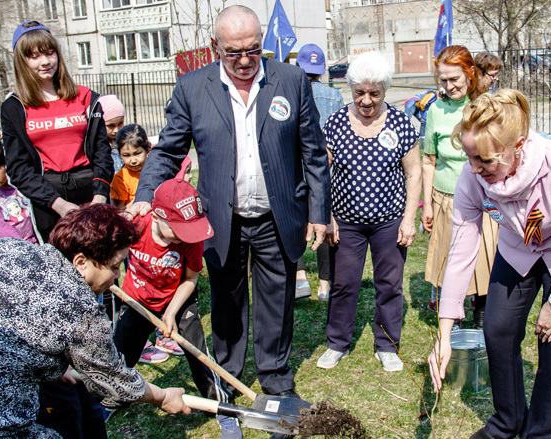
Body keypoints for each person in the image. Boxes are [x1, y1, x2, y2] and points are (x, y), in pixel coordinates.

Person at [124, 6, 331, 438]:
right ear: (215, 46)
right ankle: (226, 383)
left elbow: (312, 152)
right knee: (227, 302)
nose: (243, 59)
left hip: (278, 213)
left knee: (278, 298)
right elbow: (167, 151)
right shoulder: (193, 87)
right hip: (220, 218)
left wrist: (318, 213)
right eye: (233, 51)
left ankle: (275, 378)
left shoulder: (289, 81)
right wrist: (145, 196)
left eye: (253, 49)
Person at [428, 89, 551, 439]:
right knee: (497, 330)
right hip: (519, 248)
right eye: (470, 158)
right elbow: (462, 250)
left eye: (486, 161)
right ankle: (508, 422)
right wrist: (444, 334)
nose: (476, 169)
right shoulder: (472, 177)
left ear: (518, 146)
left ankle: (543, 432)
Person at [0, 203, 189, 438]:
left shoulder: (12, 248)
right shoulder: (80, 309)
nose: (117, 276)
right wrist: (161, 396)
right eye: (114, 267)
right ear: (81, 262)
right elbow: (115, 383)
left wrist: (49, 365)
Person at [317, 51, 422, 372]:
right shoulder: (335, 123)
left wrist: (408, 219)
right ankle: (337, 342)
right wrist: (329, 217)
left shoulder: (401, 123)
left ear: (385, 91)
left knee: (389, 285)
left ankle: (387, 345)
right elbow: (323, 173)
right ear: (350, 89)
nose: (366, 100)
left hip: (388, 221)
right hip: (345, 222)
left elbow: (414, 172)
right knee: (343, 284)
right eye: (359, 92)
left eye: (374, 93)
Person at [113, 179, 228, 402]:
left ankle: (219, 403)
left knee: (198, 352)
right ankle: (114, 395)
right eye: (178, 230)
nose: (184, 236)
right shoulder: (137, 225)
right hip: (137, 299)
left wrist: (171, 312)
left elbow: (191, 278)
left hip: (177, 297)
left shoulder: (190, 239)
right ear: (156, 216)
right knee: (121, 352)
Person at [1, 21, 113, 242]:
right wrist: (59, 205)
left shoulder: (87, 99)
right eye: (33, 56)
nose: (45, 62)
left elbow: (102, 152)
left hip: (92, 193)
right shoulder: (14, 107)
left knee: (100, 268)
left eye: (49, 53)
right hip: (49, 201)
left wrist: (99, 196)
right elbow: (18, 168)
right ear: (21, 61)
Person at [422, 45, 498, 330]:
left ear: (469, 74)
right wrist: (427, 203)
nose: (448, 85)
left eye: (454, 79)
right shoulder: (435, 110)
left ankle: (481, 322)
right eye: (443, 79)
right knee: (448, 262)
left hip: (484, 200)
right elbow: (429, 160)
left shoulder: (486, 107)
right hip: (445, 199)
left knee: (484, 263)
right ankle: (450, 324)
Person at [294, 42, 345, 302]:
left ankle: (300, 279)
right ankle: (325, 285)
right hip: (327, 166)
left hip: (298, 164)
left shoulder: (291, 89)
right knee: (324, 219)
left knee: (298, 220)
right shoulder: (334, 96)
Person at [0, 139, 41, 243]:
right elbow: (0, 227)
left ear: (6, 164)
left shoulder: (21, 184)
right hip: (17, 246)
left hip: (40, 240)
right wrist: (24, 245)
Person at [110, 124, 151, 208]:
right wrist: (140, 199)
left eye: (137, 154)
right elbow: (119, 211)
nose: (133, 161)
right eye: (126, 155)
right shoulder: (120, 179)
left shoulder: (156, 169)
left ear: (148, 149)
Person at [97, 94, 126, 174]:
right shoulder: (97, 146)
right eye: (111, 125)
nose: (116, 130)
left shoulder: (126, 140)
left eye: (120, 123)